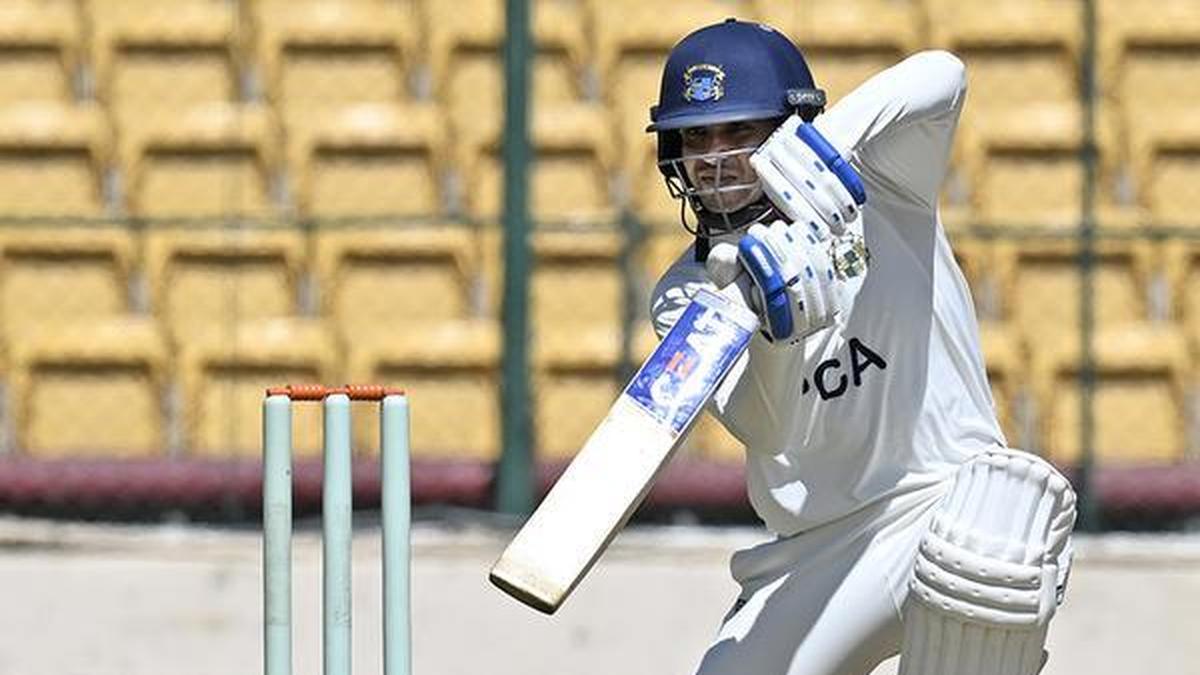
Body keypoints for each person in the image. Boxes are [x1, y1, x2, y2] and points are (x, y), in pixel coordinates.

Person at [646, 18, 1077, 675]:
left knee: (995, 544)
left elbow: (943, 75)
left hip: (950, 498)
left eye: (740, 131)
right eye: (696, 137)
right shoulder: (685, 293)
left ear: (790, 128)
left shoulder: (882, 180)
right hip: (815, 548)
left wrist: (825, 149)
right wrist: (778, 336)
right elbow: (768, 427)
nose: (715, 158)